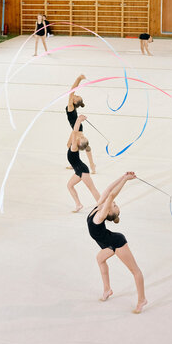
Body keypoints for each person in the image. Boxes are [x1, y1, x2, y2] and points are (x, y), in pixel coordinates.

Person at [87, 171, 147, 314]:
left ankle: (142, 299)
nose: (113, 202)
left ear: (108, 212)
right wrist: (122, 176)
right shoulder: (99, 206)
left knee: (135, 271)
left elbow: (112, 195)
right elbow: (108, 190)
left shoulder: (100, 216)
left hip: (116, 242)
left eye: (113, 206)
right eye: (115, 204)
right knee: (100, 259)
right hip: (107, 244)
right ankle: (107, 289)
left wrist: (126, 180)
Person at [67, 115, 100, 213]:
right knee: (69, 185)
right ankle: (78, 204)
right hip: (78, 170)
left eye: (81, 138)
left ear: (78, 143)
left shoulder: (74, 147)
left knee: (92, 189)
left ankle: (102, 206)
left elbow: (74, 132)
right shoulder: (76, 145)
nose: (80, 136)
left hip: (82, 170)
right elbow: (76, 133)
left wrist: (78, 120)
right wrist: (79, 120)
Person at [66, 74, 96, 174]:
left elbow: (72, 90)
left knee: (83, 145)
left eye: (76, 96)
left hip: (77, 129)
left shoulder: (70, 106)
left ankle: (92, 165)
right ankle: (75, 162)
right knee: (69, 145)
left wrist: (79, 79)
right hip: (76, 127)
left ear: (74, 101)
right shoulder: (72, 107)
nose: (74, 95)